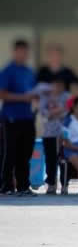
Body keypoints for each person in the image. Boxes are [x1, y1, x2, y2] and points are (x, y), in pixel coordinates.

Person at [0, 39, 38, 195]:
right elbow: (2, 94)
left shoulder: (29, 72)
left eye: (26, 52)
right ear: (15, 52)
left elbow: (34, 92)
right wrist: (24, 98)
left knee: (25, 154)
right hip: (11, 118)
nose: (24, 54)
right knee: (10, 153)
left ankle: (23, 186)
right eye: (21, 51)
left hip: (28, 118)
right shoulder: (7, 71)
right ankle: (6, 186)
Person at [37, 74, 71, 194]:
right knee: (50, 159)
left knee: (64, 158)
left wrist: (54, 113)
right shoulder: (45, 96)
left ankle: (64, 184)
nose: (57, 87)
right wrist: (56, 112)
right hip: (48, 133)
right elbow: (43, 112)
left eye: (59, 84)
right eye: (54, 84)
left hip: (63, 133)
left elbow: (68, 111)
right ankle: (51, 183)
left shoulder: (67, 96)